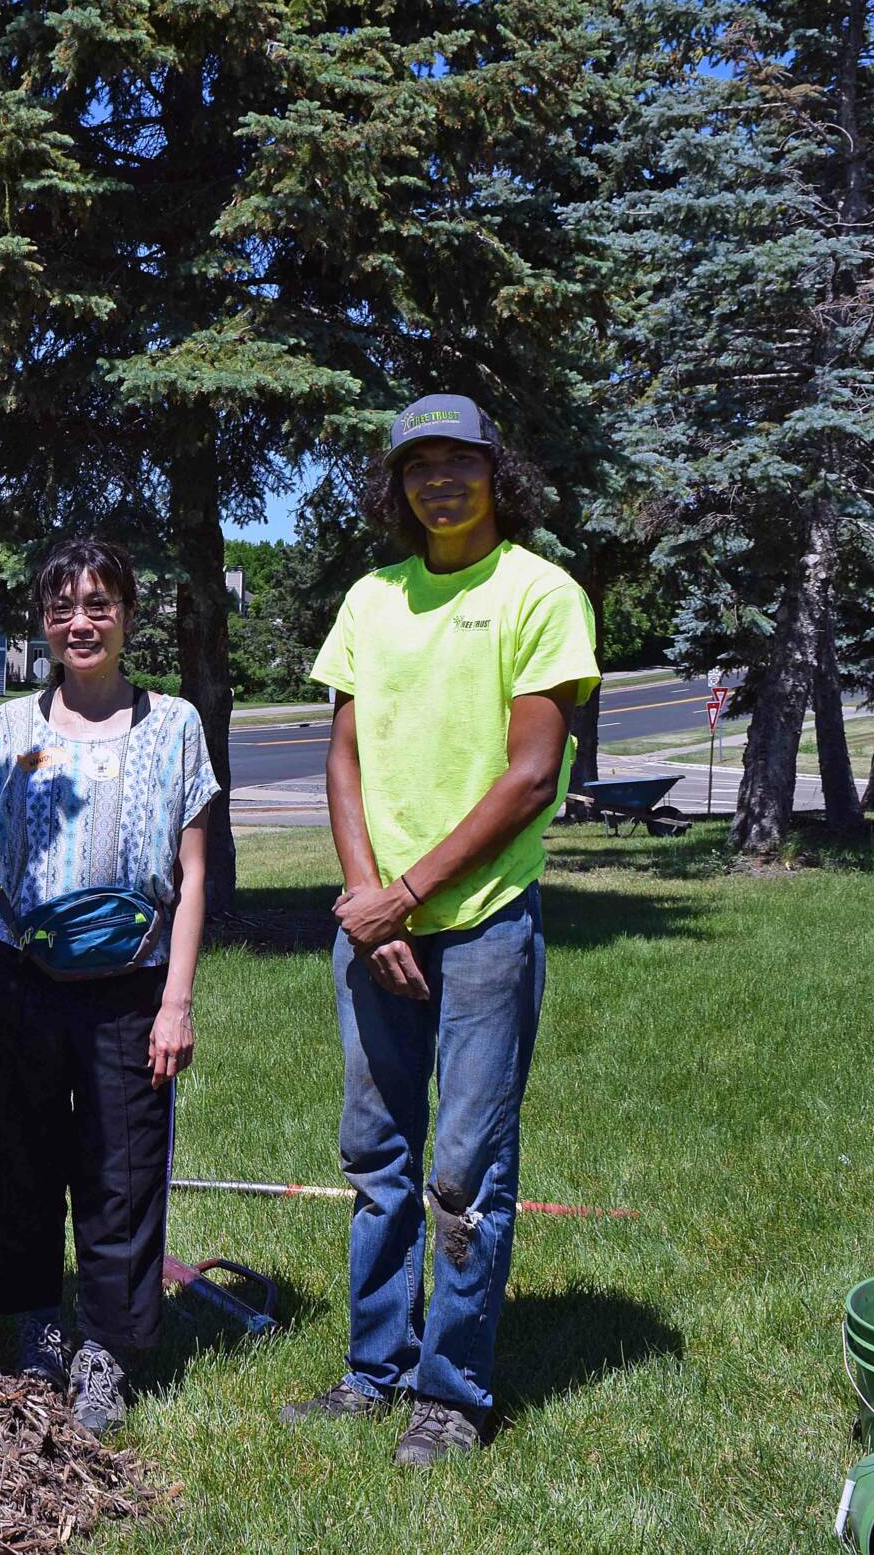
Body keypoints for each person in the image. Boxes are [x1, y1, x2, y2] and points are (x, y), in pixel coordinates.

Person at [283, 393, 599, 1467]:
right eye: (418, 467)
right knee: (377, 1162)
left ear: (493, 472)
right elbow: (342, 761)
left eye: (457, 462)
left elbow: (528, 776)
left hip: (482, 929)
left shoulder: (539, 594)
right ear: (397, 485)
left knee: (464, 1171)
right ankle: (373, 1373)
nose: (439, 483)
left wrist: (403, 895)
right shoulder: (369, 599)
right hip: (379, 925)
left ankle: (450, 1395)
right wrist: (368, 907)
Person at [0, 536, 219, 1436]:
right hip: (18, 977)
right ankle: (37, 1329)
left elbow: (195, 872)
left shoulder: (173, 725)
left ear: (129, 615)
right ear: (45, 622)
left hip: (128, 986)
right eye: (63, 606)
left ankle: (106, 1350)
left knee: (120, 1170)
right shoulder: (12, 728)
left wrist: (176, 999)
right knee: (21, 1159)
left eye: (99, 603)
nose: (80, 621)